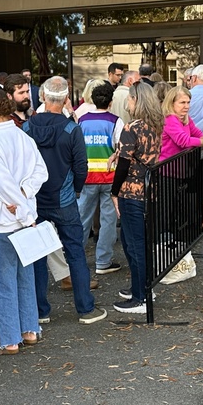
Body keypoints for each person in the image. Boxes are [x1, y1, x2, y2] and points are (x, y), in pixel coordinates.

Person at [23, 77, 107, 326]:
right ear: (67, 99)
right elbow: (81, 166)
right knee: (75, 252)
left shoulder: (27, 128)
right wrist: (77, 189)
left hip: (35, 199)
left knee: (37, 255)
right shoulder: (72, 129)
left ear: (42, 98)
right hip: (65, 198)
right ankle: (85, 309)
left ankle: (41, 311)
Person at [0, 89, 48, 355]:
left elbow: (0, 181)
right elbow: (41, 171)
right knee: (24, 276)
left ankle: (8, 340)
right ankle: (29, 330)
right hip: (23, 216)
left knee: (3, 282)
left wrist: (18, 205)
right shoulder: (21, 135)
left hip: (1, 221)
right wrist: (26, 194)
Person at [110, 83, 163, 314]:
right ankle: (141, 288)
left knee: (134, 244)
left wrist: (114, 191)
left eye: (129, 100)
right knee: (137, 242)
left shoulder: (132, 127)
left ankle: (140, 298)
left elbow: (123, 165)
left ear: (135, 99)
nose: (127, 104)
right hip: (148, 190)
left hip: (131, 191)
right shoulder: (155, 125)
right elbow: (139, 154)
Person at [76, 83, 123, 277]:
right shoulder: (115, 121)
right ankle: (103, 261)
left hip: (86, 177)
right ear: (111, 102)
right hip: (109, 177)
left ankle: (75, 259)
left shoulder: (82, 121)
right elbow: (120, 147)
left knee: (82, 219)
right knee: (108, 221)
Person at [159, 86, 203, 162]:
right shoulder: (169, 119)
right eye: (182, 102)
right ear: (171, 103)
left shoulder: (185, 117)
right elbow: (183, 141)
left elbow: (195, 132)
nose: (186, 106)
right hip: (170, 167)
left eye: (188, 102)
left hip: (182, 165)